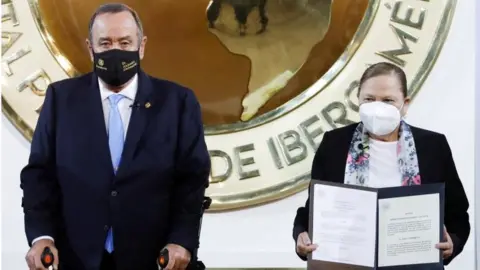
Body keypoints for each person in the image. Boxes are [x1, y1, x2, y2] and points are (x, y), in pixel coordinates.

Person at [21, 3, 210, 270]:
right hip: (76, 258)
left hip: (155, 259)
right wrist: (41, 236)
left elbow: (192, 180)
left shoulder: (177, 102)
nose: (116, 51)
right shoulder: (61, 100)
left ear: (141, 46)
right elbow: (39, 176)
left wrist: (182, 240)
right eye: (106, 43)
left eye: (124, 42)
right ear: (91, 48)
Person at [292, 62, 470, 266]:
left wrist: (453, 243)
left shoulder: (432, 146)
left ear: (405, 104)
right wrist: (301, 236)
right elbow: (314, 210)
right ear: (357, 100)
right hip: (347, 265)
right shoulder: (334, 144)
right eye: (369, 99)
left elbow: (457, 214)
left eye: (388, 100)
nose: (377, 108)